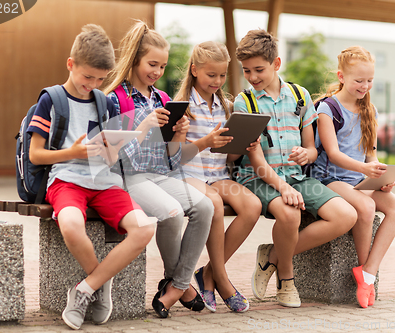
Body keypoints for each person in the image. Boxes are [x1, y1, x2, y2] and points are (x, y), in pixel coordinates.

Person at [28, 24, 154, 330]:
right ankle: (100, 279)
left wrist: (125, 139)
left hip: (105, 181)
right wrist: (73, 152)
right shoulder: (51, 100)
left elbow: (111, 152)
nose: (93, 84)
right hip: (67, 179)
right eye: (88, 77)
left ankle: (87, 286)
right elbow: (36, 154)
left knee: (144, 228)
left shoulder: (104, 101)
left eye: (100, 79)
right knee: (71, 224)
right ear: (71, 64)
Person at [233, 29, 358, 307]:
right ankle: (286, 281)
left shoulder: (300, 97)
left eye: (259, 70)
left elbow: (312, 150)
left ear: (276, 64)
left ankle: (273, 256)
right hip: (259, 177)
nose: (253, 77)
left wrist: (307, 153)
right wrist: (283, 187)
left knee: (346, 216)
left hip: (296, 176)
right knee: (290, 215)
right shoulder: (245, 102)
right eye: (246, 71)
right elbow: (255, 160)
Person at [102, 20, 213, 318]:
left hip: (160, 175)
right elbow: (111, 155)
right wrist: (143, 124)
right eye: (152, 64)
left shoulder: (163, 99)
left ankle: (174, 284)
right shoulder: (115, 100)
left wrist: (179, 134)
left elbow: (172, 160)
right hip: (127, 177)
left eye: (162, 67)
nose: (157, 72)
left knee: (204, 207)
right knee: (172, 213)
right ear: (136, 59)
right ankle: (183, 285)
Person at [311, 46, 395, 308]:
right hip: (330, 178)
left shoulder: (369, 110)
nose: (365, 86)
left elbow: (371, 156)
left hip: (357, 181)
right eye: (359, 81)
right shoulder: (327, 109)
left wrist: (380, 175)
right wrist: (365, 170)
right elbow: (333, 153)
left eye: (369, 81)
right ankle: (366, 277)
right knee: (366, 206)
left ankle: (368, 272)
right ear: (341, 77)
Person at [172, 41, 261, 313]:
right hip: (189, 175)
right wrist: (206, 142)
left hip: (218, 175)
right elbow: (174, 157)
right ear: (195, 70)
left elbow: (229, 157)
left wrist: (243, 145)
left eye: (222, 75)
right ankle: (222, 280)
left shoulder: (226, 105)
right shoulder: (181, 106)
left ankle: (208, 273)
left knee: (252, 206)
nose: (218, 81)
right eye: (212, 75)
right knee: (213, 206)